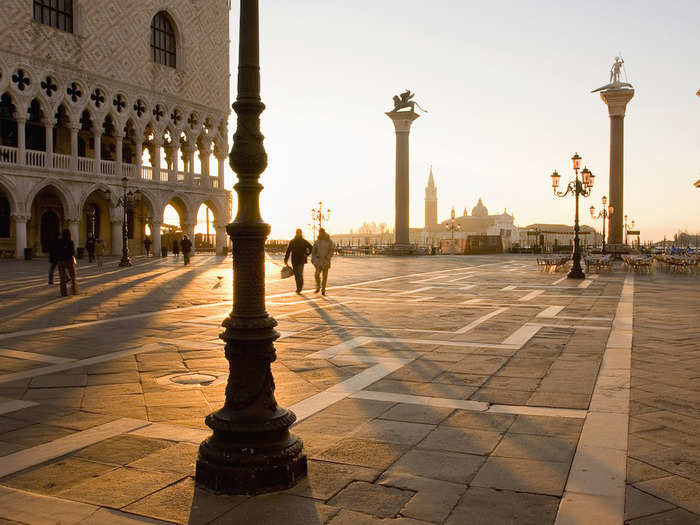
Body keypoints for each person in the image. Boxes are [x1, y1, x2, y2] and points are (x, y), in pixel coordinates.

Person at [284, 229, 312, 294]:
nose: (298, 234)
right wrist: (286, 259)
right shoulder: (292, 241)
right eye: (298, 233)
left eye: (299, 233)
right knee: (296, 274)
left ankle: (300, 288)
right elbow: (288, 250)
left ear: (301, 233)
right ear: (296, 233)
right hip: (294, 260)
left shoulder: (304, 241)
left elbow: (311, 248)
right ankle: (298, 287)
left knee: (300, 274)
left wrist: (307, 254)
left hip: (301, 260)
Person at [311, 228, 334, 295]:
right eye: (319, 232)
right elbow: (313, 251)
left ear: (323, 232)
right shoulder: (317, 241)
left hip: (326, 261)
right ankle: (318, 286)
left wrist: (328, 257)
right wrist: (313, 259)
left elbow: (331, 250)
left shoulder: (329, 241)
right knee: (316, 275)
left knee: (325, 276)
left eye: (321, 232)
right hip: (318, 261)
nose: (320, 233)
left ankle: (323, 289)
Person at [57, 229, 78, 297]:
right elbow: (72, 252)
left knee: (62, 278)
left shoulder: (59, 242)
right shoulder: (70, 242)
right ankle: (74, 291)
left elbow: (57, 251)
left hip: (61, 261)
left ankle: (64, 293)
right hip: (69, 260)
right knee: (73, 276)